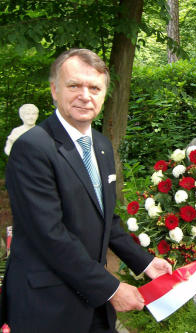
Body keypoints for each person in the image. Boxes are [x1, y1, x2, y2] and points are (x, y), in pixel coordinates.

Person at [1, 48, 172, 333]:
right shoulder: (33, 147)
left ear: (104, 94)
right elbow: (49, 235)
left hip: (92, 301)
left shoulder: (102, 146)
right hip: (47, 305)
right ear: (55, 90)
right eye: (74, 85)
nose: (85, 95)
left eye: (95, 87)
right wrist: (112, 289)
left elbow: (106, 220)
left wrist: (146, 262)